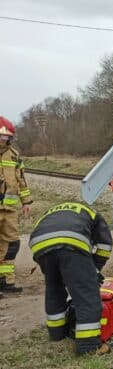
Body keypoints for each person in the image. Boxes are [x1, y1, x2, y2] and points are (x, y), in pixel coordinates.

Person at [28, 201, 113, 355]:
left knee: (54, 288)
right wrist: (93, 271)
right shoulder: (93, 214)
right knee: (86, 295)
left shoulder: (54, 210)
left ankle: (57, 334)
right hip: (71, 243)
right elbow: (105, 246)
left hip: (39, 245)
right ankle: (89, 347)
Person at [0, 116, 32, 298]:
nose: (5, 139)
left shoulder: (14, 155)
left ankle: (6, 281)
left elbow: (21, 180)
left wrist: (26, 202)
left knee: (11, 244)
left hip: (10, 211)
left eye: (7, 136)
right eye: (2, 136)